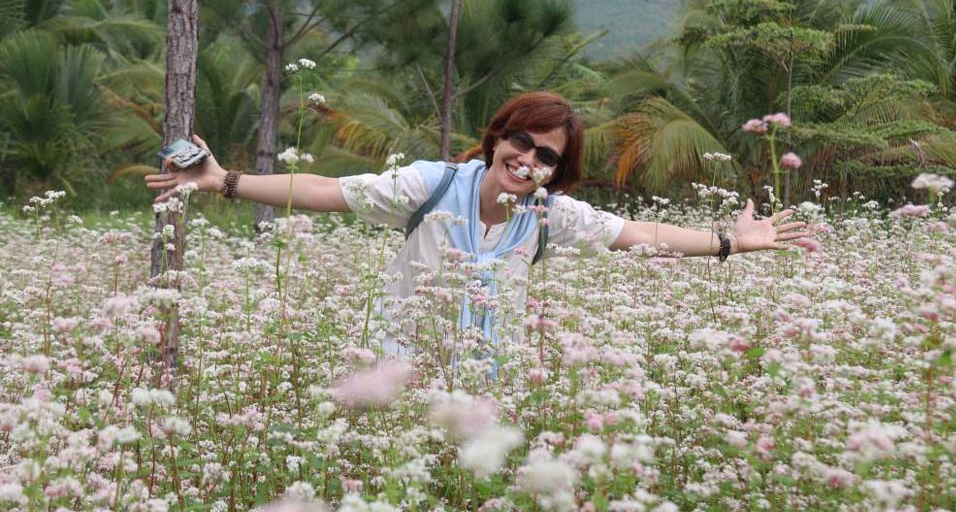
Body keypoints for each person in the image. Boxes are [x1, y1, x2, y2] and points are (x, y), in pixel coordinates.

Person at [146, 92, 807, 359]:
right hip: (396, 374)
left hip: (488, 387)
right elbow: (324, 189)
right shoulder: (431, 184)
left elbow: (639, 233)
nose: (529, 159)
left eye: (547, 155)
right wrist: (224, 180)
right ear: (496, 139)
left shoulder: (551, 217)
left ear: (556, 171)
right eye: (522, 141)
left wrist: (732, 242)